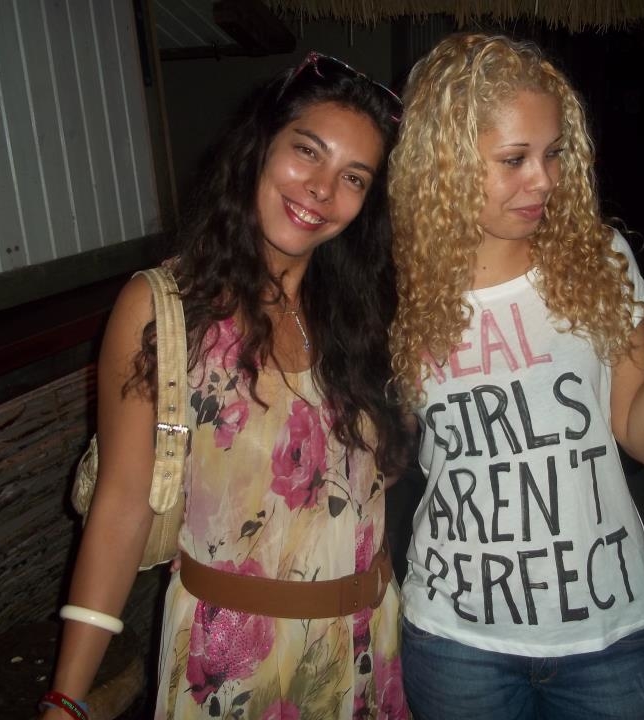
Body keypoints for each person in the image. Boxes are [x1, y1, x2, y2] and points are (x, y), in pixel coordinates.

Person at [41, 51, 409, 720]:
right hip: (237, 668)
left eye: (353, 177)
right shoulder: (166, 309)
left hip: (368, 652)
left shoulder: (363, 315)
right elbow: (121, 508)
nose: (322, 189)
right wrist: (67, 699)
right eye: (307, 151)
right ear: (260, 145)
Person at [387, 33, 644, 720]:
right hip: (458, 637)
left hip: (606, 634)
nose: (545, 179)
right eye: (514, 159)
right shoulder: (400, 289)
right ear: (445, 160)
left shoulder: (596, 259)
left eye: (552, 153)